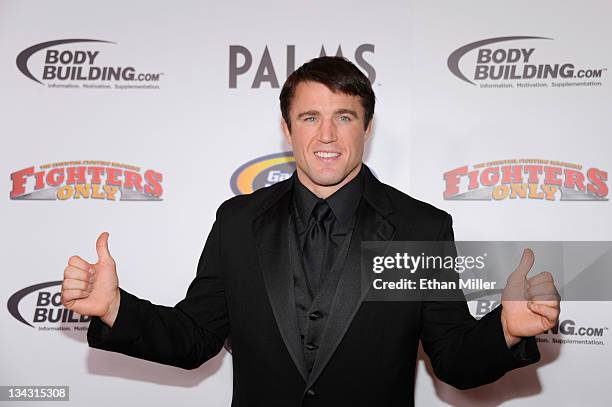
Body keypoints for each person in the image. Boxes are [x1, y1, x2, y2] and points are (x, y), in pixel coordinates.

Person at [61, 56, 560, 407]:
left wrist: (505, 329)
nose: (326, 135)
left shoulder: (418, 227)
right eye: (309, 117)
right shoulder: (237, 221)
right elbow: (195, 338)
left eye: (344, 117)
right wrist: (114, 309)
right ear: (287, 127)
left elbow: (452, 359)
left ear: (367, 128)